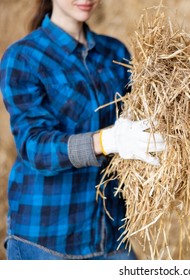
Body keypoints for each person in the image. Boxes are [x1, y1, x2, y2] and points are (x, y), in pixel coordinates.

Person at [0, 0, 165, 260]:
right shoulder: (23, 57)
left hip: (110, 234)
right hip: (46, 239)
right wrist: (106, 141)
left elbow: (139, 116)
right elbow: (35, 147)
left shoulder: (115, 52)